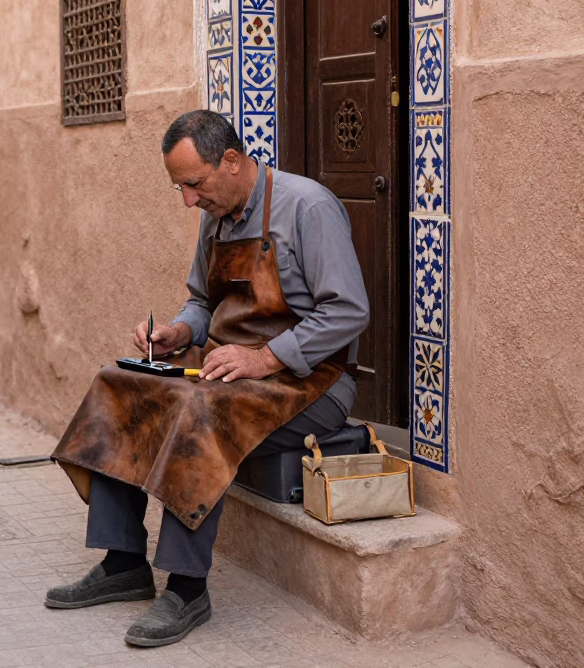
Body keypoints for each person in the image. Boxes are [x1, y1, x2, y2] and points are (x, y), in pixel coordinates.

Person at [48, 110, 369, 647]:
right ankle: (124, 560)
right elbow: (203, 301)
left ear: (231, 161)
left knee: (201, 413)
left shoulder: (308, 207)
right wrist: (179, 330)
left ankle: (188, 586)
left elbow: (347, 312)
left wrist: (266, 359)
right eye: (180, 188)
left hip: (315, 381)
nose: (188, 201)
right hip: (230, 369)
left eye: (193, 185)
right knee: (120, 384)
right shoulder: (215, 215)